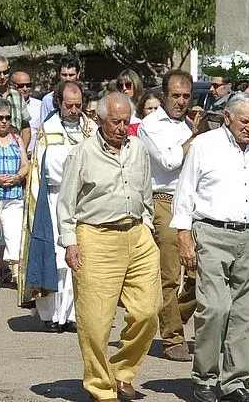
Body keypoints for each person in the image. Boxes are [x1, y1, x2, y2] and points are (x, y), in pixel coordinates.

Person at [173, 92, 249, 402]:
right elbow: (184, 193)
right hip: (212, 233)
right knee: (214, 308)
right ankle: (204, 378)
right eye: (244, 120)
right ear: (227, 117)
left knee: (245, 314)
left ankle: (235, 384)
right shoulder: (204, 146)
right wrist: (184, 236)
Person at [58, 91, 158, 402]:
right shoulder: (82, 153)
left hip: (138, 235)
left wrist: (149, 228)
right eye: (115, 121)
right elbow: (66, 203)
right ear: (100, 120)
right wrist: (70, 242)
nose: (121, 128)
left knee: (148, 312)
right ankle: (101, 387)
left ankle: (123, 372)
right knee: (96, 321)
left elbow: (146, 193)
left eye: (126, 122)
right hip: (96, 237)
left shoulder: (138, 149)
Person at [137, 70, 206, 362]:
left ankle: (172, 317)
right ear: (164, 95)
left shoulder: (189, 124)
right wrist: (196, 137)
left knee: (200, 272)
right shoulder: (149, 125)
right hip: (163, 199)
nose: (180, 101)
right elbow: (169, 161)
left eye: (186, 96)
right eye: (175, 95)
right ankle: (173, 338)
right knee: (169, 274)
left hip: (193, 201)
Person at [22, 80, 97, 331]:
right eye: (69, 105)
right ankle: (52, 316)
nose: (75, 110)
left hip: (83, 201)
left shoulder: (91, 129)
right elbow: (46, 167)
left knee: (79, 257)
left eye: (78, 105)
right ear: (58, 103)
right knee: (57, 257)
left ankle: (74, 315)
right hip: (53, 199)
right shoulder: (47, 128)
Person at [0, 98, 29, 289]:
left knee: (15, 233)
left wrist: (18, 176)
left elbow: (25, 164)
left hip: (14, 194)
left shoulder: (17, 139)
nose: (4, 121)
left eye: (7, 118)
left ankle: (16, 271)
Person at [40, 56, 82, 122]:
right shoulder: (48, 100)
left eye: (71, 75)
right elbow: (43, 126)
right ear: (59, 75)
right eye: (64, 75)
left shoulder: (84, 97)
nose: (68, 79)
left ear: (78, 74)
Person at [12, 71, 42, 156]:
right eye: (21, 86)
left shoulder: (39, 105)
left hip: (34, 156)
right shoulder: (6, 105)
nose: (25, 89)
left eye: (28, 85)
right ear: (12, 86)